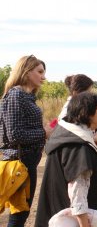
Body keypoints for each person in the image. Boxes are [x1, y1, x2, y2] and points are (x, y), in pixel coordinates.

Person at [34, 92, 97, 227]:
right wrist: (84, 224)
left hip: (57, 212)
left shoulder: (64, 135)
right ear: (87, 112)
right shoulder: (78, 148)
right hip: (69, 220)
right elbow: (78, 196)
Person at [0, 55, 53, 227]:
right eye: (39, 72)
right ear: (26, 71)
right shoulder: (16, 95)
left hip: (27, 162)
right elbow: (15, 135)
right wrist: (43, 132)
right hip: (20, 162)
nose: (43, 77)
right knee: (19, 213)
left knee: (21, 212)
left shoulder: (26, 97)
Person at [57, 74, 97, 145]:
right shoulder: (68, 111)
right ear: (75, 93)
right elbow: (70, 137)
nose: (90, 96)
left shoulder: (78, 108)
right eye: (88, 92)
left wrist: (93, 136)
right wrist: (92, 138)